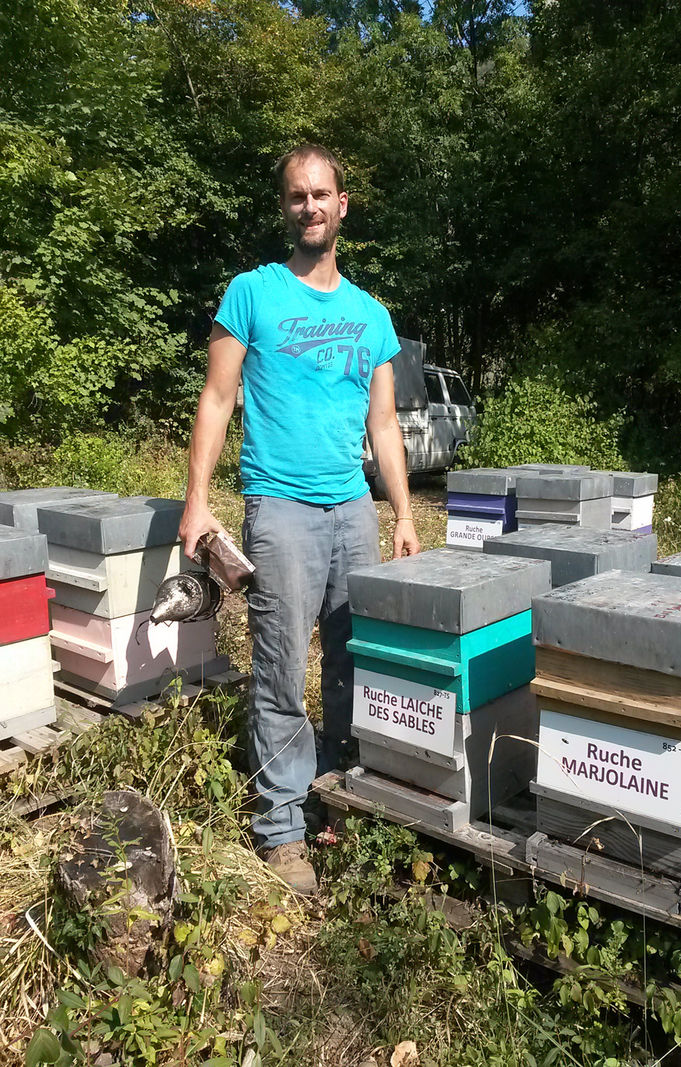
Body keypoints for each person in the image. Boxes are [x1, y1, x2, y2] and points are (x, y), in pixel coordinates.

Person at [179, 144, 421, 894]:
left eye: (322, 194)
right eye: (296, 196)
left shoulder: (371, 315)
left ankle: (340, 793)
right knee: (282, 666)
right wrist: (195, 496)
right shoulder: (251, 294)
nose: (310, 206)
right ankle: (282, 826)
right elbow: (218, 398)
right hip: (278, 505)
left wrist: (404, 515)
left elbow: (383, 425)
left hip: (353, 508)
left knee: (355, 659)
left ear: (343, 206)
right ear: (284, 209)